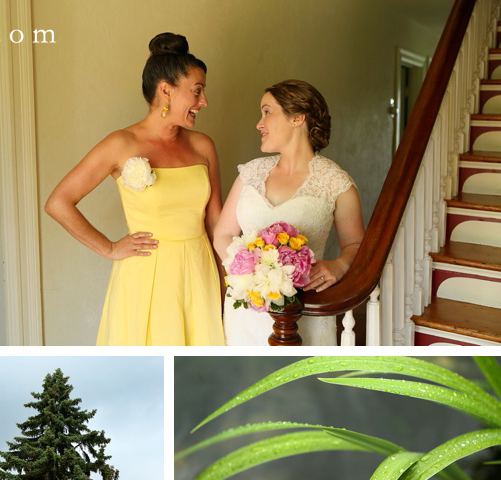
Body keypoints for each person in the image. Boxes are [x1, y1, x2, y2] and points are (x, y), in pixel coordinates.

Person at [45, 32, 225, 345]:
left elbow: (215, 222)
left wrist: (228, 281)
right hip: (146, 276)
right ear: (166, 90)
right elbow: (58, 202)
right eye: (197, 91)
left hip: (200, 271)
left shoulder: (204, 146)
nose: (204, 102)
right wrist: (110, 248)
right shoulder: (120, 144)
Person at [213, 80, 365, 345]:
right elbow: (223, 234)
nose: (259, 124)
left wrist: (340, 265)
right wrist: (253, 274)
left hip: (306, 308)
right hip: (248, 308)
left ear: (297, 118)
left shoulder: (336, 183)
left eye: (267, 112)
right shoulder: (250, 173)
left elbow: (356, 244)